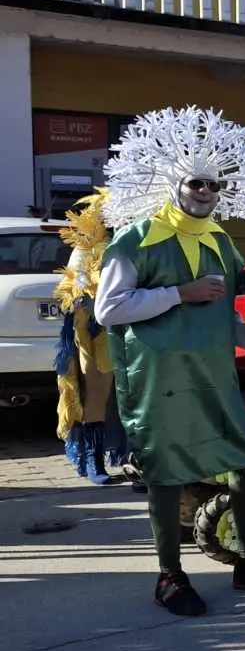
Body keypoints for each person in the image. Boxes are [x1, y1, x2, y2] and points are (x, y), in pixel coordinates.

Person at [95, 105, 245, 616]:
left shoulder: (221, 242)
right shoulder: (136, 238)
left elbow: (226, 311)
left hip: (213, 376)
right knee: (166, 475)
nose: (205, 192)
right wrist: (177, 293)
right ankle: (170, 577)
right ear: (173, 184)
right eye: (196, 183)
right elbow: (109, 309)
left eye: (213, 185)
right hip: (159, 380)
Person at [53, 189, 127, 485]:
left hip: (138, 328)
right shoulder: (87, 246)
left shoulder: (142, 240)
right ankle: (93, 460)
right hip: (96, 330)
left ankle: (139, 460)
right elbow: (75, 287)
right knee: (97, 393)